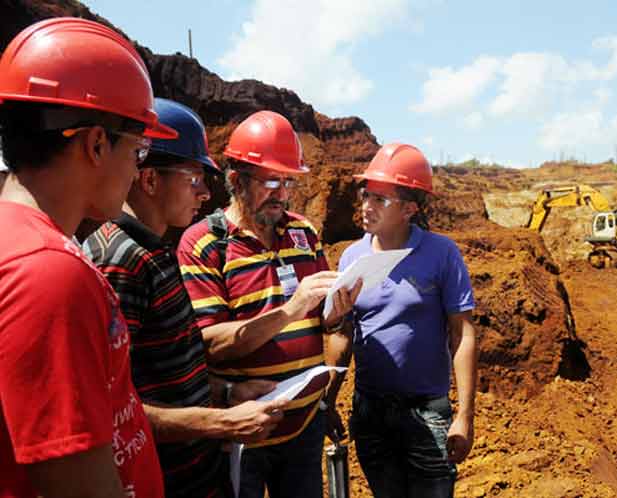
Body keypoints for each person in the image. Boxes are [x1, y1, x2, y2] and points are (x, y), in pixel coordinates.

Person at [0, 18, 177, 498]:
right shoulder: (48, 271)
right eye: (139, 150)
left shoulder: (21, 242)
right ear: (97, 144)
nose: (137, 171)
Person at [83, 98, 289, 497]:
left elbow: (172, 371)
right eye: (194, 178)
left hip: (199, 474)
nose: (205, 193)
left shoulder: (155, 251)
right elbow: (114, 409)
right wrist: (221, 423)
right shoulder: (119, 263)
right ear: (149, 180)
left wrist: (226, 394)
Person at [177, 110, 360, 498]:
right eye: (272, 181)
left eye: (288, 182)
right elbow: (210, 343)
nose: (282, 193)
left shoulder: (302, 232)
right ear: (236, 181)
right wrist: (292, 309)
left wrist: (335, 313)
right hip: (245, 429)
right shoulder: (203, 243)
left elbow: (323, 320)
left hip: (305, 425)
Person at [337, 143, 478, 498]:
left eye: (380, 199)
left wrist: (465, 415)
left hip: (427, 412)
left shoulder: (441, 253)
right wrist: (328, 399)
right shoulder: (351, 258)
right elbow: (344, 333)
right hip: (370, 414)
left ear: (409, 208)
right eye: (366, 195)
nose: (366, 206)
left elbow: (462, 334)